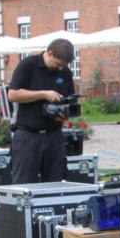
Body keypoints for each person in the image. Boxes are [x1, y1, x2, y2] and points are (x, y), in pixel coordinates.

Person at [7, 38, 76, 184]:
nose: (60, 68)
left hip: (54, 136)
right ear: (49, 53)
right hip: (28, 136)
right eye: (58, 64)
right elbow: (12, 95)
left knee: (56, 184)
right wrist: (43, 94)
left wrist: (63, 115)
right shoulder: (28, 65)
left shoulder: (65, 73)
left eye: (63, 66)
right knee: (24, 183)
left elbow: (70, 100)